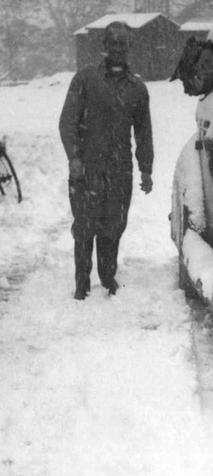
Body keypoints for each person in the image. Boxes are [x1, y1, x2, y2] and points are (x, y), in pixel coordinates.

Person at [59, 21, 153, 300]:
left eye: (122, 43)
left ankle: (108, 278)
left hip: (119, 169)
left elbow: (144, 132)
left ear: (129, 47)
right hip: (87, 168)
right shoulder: (85, 79)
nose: (117, 48)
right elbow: (67, 122)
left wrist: (146, 169)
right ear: (104, 46)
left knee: (114, 225)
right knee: (85, 225)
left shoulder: (137, 88)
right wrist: (74, 157)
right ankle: (81, 282)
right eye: (112, 42)